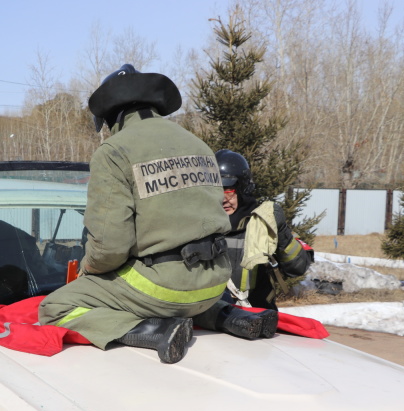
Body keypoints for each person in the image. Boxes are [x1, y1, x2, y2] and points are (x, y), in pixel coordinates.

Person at [39, 64, 250, 365]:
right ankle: (226, 315)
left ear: (112, 117)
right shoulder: (198, 145)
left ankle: (154, 329)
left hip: (162, 289)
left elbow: (110, 248)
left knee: (55, 306)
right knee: (176, 290)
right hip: (215, 283)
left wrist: (88, 270)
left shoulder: (114, 151)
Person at [215, 149, 313, 310]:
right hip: (210, 321)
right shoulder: (201, 226)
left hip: (257, 319)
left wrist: (281, 232)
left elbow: (298, 268)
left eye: (229, 190)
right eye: (216, 191)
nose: (223, 199)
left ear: (243, 189)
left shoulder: (263, 223)